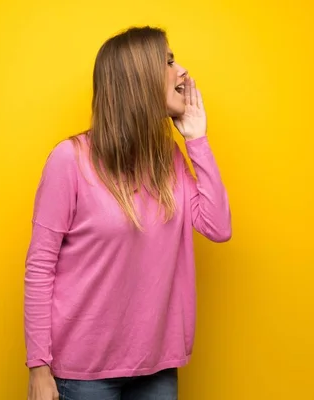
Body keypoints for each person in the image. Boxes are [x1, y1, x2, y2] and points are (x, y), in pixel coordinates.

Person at [24, 26, 232, 400]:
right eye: (168, 61)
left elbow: (218, 227)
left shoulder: (169, 158)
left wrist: (196, 140)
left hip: (156, 365)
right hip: (83, 373)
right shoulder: (69, 160)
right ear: (138, 79)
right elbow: (40, 266)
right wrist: (39, 368)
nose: (182, 70)